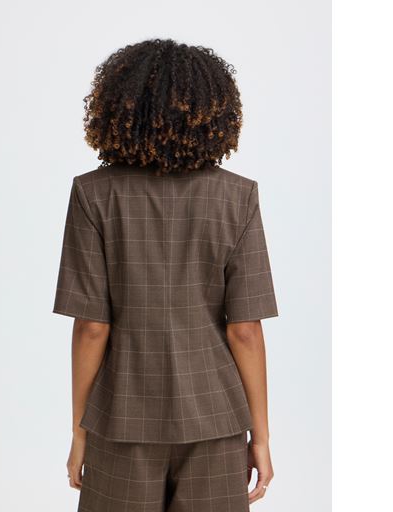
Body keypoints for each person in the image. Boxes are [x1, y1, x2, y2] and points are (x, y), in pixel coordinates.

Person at [53, 38, 278, 511]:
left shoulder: (93, 194)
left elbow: (91, 326)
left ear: (118, 108)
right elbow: (245, 330)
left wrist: (79, 432)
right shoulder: (238, 197)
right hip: (216, 419)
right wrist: (260, 437)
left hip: (121, 418)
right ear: (215, 112)